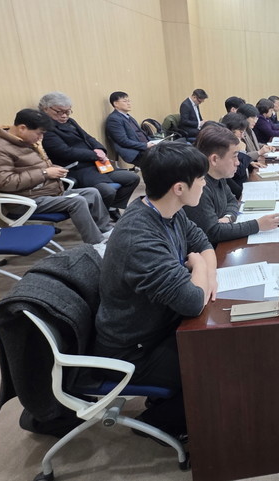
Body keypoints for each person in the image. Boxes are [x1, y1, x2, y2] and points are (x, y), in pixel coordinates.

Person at [93, 141, 217, 440]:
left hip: (160, 325)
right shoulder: (140, 237)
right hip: (134, 350)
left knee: (222, 340)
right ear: (179, 188)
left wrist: (205, 274)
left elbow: (203, 243)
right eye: (200, 179)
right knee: (221, 363)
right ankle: (160, 422)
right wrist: (200, 268)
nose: (204, 184)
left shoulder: (166, 210)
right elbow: (192, 302)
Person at [0, 109, 112, 244]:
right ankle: (96, 244)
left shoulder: (23, 141)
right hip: (26, 200)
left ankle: (106, 231)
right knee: (77, 201)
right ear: (22, 128)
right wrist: (45, 173)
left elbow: (35, 166)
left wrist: (54, 168)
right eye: (39, 133)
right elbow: (5, 182)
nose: (40, 138)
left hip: (47, 192)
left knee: (92, 192)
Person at [39, 92, 140, 218]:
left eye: (68, 111)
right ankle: (99, 218)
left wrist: (100, 149)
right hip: (77, 169)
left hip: (96, 165)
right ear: (45, 109)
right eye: (59, 112)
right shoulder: (45, 129)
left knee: (132, 178)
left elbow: (88, 137)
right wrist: (94, 154)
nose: (64, 115)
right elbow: (64, 151)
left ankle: (112, 207)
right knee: (107, 191)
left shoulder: (70, 121)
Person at [184, 125, 279, 246]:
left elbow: (232, 200)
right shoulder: (199, 187)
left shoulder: (219, 176)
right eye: (234, 156)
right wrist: (258, 225)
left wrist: (229, 217)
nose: (238, 162)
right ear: (214, 159)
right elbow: (213, 232)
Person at [105, 91, 156, 166]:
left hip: (145, 147)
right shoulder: (114, 119)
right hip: (136, 152)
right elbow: (123, 141)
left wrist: (154, 142)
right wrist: (145, 146)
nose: (128, 103)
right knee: (164, 159)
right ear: (116, 104)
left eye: (129, 101)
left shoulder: (128, 117)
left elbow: (140, 133)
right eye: (125, 101)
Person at [219, 112, 255, 199]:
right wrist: (242, 151)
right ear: (230, 130)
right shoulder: (223, 148)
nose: (242, 136)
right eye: (241, 132)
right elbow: (239, 172)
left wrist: (250, 163)